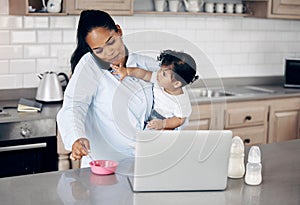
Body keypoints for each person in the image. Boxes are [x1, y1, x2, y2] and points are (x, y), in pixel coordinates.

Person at [56, 10, 159, 168]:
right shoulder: (89, 66)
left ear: (119, 31)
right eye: (98, 50)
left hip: (143, 163)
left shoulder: (145, 64)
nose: (109, 52)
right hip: (103, 166)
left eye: (111, 42)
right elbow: (74, 106)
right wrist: (77, 138)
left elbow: (167, 101)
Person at [111, 50, 198, 130]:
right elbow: (144, 74)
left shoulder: (181, 101)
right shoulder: (159, 80)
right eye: (160, 69)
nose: (159, 73)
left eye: (164, 74)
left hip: (166, 122)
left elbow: (180, 120)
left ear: (176, 84)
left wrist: (163, 124)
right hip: (153, 116)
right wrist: (127, 71)